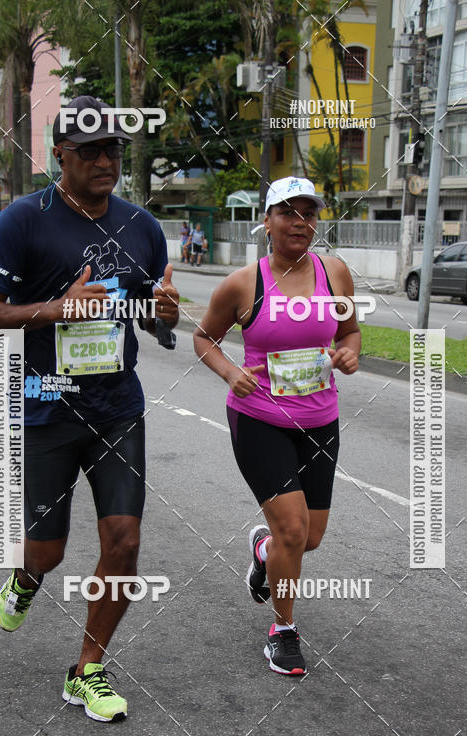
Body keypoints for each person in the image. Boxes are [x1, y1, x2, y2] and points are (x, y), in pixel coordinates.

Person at [0, 95, 179, 721]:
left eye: (113, 149)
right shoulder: (24, 221)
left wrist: (163, 317)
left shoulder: (142, 226)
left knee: (125, 540)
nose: (106, 161)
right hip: (44, 409)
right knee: (47, 552)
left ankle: (88, 668)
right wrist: (56, 308)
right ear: (59, 153)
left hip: (117, 409)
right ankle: (25, 582)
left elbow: (152, 314)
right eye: (90, 151)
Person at [193, 176, 359, 676]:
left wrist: (349, 353)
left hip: (320, 421)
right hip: (260, 418)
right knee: (293, 528)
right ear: (266, 222)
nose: (299, 222)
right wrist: (230, 372)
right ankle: (283, 630)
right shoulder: (245, 284)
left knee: (309, 538)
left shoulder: (335, 274)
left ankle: (263, 550)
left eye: (308, 213)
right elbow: (204, 338)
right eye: (288, 212)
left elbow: (349, 330)